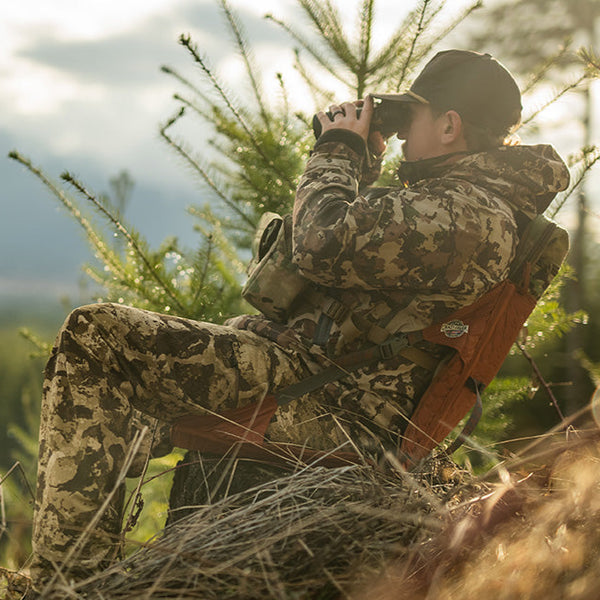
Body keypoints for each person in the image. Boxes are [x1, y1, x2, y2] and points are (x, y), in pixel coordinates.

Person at [27, 49, 570, 589]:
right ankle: (99, 564)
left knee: (98, 337)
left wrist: (336, 148)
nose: (403, 135)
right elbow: (340, 277)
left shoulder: (467, 214)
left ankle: (69, 581)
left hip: (348, 420)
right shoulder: (461, 203)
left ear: (450, 125)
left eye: (413, 119)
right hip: (329, 388)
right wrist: (360, 165)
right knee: (146, 356)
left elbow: (319, 240)